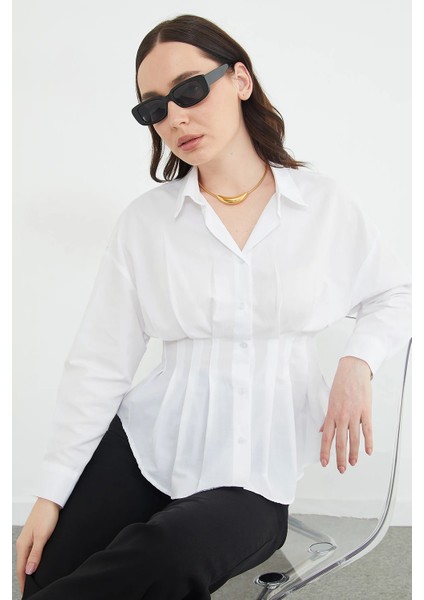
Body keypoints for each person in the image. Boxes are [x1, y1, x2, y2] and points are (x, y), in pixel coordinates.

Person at [16, 13, 411, 600]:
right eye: (155, 108)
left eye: (190, 90)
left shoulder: (322, 206)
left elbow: (396, 293)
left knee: (169, 555)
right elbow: (99, 364)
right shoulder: (147, 224)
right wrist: (50, 496)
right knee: (41, 573)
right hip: (148, 446)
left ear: (240, 80)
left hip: (256, 474)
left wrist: (359, 362)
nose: (175, 117)